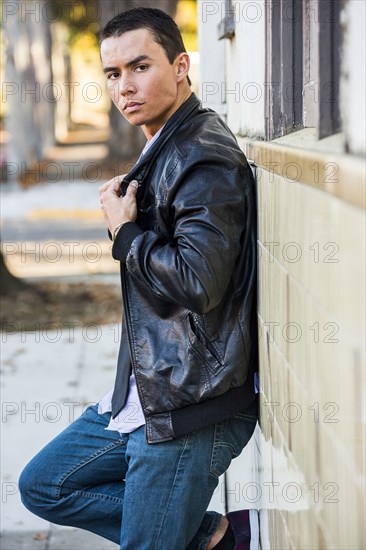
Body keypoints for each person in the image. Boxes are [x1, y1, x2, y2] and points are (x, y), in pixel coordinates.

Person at [19, 8, 259, 550]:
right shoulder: (165, 145)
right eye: (112, 74)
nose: (124, 86)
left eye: (140, 66)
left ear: (180, 65)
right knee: (45, 484)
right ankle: (217, 536)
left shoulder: (202, 156)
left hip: (189, 405)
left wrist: (125, 235)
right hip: (147, 392)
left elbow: (199, 281)